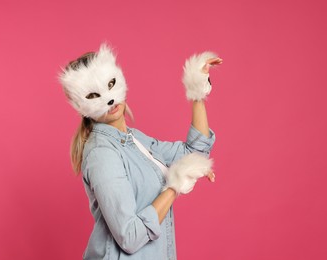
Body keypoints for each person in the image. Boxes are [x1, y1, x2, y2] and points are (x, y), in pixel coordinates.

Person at [59, 44, 222, 260]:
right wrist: (174, 185)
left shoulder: (135, 140)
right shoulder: (102, 154)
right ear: (81, 106)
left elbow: (195, 152)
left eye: (110, 84)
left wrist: (197, 91)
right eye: (93, 95)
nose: (109, 100)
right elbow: (130, 236)